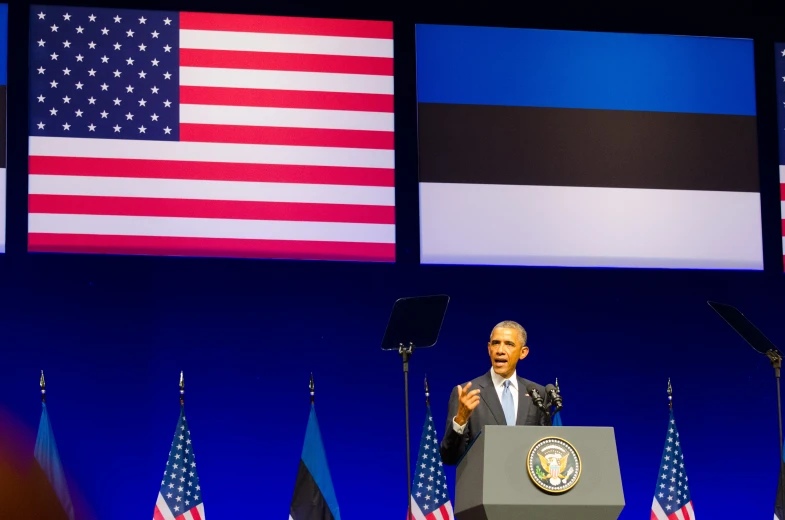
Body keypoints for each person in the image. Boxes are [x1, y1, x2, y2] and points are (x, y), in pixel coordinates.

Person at [439, 320, 550, 466]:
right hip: (483, 485)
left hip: (526, 484)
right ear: (489, 348)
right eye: (496, 343)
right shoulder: (467, 393)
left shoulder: (538, 393)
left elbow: (545, 449)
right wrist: (460, 421)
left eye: (509, 344)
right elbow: (449, 458)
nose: (500, 350)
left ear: (523, 352)